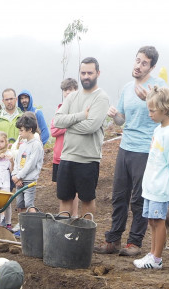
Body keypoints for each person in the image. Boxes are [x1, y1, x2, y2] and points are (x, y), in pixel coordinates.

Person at [97, 46, 166, 256]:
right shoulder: (127, 88)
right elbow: (122, 120)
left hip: (146, 148)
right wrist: (115, 115)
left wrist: (149, 100)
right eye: (137, 61)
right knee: (119, 195)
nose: (138, 66)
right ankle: (113, 239)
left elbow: (165, 115)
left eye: (144, 63)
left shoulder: (159, 87)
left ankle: (134, 242)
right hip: (125, 146)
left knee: (138, 198)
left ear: (152, 66)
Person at [132, 86, 169, 271]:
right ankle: (153, 253)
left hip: (161, 186)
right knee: (151, 221)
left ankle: (157, 258)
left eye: (152, 110)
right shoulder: (159, 130)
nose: (150, 114)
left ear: (164, 108)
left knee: (159, 220)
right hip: (151, 185)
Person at [53, 57, 110, 216]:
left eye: (90, 73)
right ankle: (64, 235)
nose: (86, 76)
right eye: (83, 73)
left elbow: (91, 126)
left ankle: (86, 236)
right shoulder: (72, 97)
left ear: (98, 73)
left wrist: (68, 124)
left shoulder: (101, 98)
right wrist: (80, 116)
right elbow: (57, 121)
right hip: (67, 156)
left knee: (87, 199)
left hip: (87, 158)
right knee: (65, 198)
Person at [11, 113, 44, 213]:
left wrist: (19, 176)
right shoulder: (23, 145)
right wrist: (15, 175)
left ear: (30, 129)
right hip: (19, 179)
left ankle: (33, 225)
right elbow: (17, 161)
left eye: (21, 130)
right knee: (20, 204)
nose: (19, 133)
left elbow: (31, 164)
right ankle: (23, 225)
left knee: (29, 205)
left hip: (29, 180)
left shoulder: (36, 145)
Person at [50, 78, 78, 185]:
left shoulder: (80, 108)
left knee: (74, 189)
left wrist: (64, 123)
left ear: (76, 90)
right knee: (61, 190)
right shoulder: (60, 108)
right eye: (65, 90)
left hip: (75, 155)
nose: (67, 92)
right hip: (59, 156)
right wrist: (70, 123)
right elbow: (53, 130)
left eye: (70, 89)